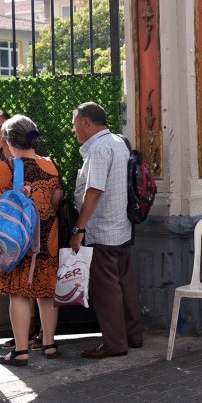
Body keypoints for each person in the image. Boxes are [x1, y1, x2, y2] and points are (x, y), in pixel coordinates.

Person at [0, 114, 62, 365]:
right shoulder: (51, 165)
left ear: (8, 139)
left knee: (18, 293)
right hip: (48, 237)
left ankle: (20, 351)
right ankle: (49, 343)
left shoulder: (8, 168)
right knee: (46, 291)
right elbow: (57, 198)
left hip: (20, 240)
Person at [70, 102, 143, 359]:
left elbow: (94, 190)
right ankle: (134, 336)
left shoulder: (99, 148)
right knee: (125, 282)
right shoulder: (119, 141)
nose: (73, 130)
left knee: (106, 289)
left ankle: (114, 344)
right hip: (122, 226)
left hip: (103, 230)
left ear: (86, 123)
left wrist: (80, 227)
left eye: (74, 124)